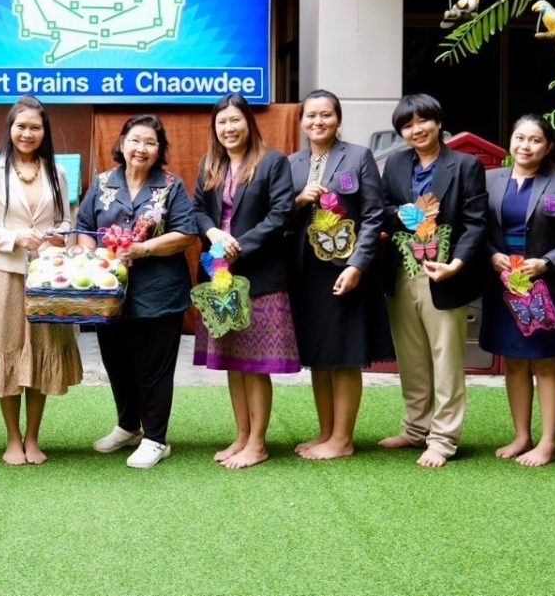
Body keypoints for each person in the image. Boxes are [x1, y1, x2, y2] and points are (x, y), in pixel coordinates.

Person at [75, 115, 196, 469]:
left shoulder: (171, 186)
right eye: (135, 140)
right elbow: (85, 226)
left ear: (160, 150)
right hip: (108, 292)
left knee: (153, 367)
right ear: (122, 143)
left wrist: (144, 249)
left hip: (159, 293)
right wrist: (90, 255)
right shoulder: (101, 183)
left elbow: (186, 233)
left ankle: (156, 438)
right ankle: (128, 426)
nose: (141, 148)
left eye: (150, 142)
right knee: (117, 361)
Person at [0, 96, 82, 465]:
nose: (27, 133)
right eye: (21, 126)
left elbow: (67, 221)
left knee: (41, 350)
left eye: (35, 127)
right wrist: (14, 238)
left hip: (47, 276)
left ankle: (33, 437)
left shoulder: (57, 172)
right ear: (10, 129)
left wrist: (55, 236)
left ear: (44, 131)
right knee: (8, 350)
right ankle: (12, 438)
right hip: (4, 274)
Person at [378, 93, 486, 468]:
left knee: (446, 358)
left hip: (445, 273)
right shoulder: (394, 164)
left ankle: (443, 438)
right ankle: (415, 428)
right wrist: (402, 213)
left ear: (438, 122)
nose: (416, 130)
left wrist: (456, 264)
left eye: (423, 121)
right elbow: (381, 210)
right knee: (411, 357)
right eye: (407, 125)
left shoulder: (465, 165)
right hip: (402, 270)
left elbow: (476, 223)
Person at [286, 89, 393, 461]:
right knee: (319, 354)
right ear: (301, 122)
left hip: (345, 270)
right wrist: (298, 200)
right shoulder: (291, 164)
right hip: (306, 273)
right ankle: (326, 432)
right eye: (311, 116)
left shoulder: (358, 156)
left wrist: (357, 265)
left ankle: (343, 439)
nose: (318, 122)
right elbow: (281, 217)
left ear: (338, 119)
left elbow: (374, 215)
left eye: (326, 115)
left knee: (345, 354)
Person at [192, 94, 297, 469]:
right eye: (222, 123)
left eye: (235, 121)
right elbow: (197, 210)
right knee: (233, 361)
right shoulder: (210, 164)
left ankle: (258, 442)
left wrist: (241, 245)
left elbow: (281, 213)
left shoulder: (272, 162)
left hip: (261, 276)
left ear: (248, 123)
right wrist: (213, 234)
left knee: (254, 363)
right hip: (220, 275)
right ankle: (240, 435)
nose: (229, 128)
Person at [479, 115, 555, 467]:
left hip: (547, 287)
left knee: (545, 361)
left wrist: (547, 263)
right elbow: (476, 228)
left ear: (548, 146)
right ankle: (522, 435)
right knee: (514, 361)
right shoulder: (490, 179)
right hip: (505, 285)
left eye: (535, 140)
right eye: (519, 137)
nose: (526, 146)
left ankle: (548, 441)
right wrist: (493, 257)